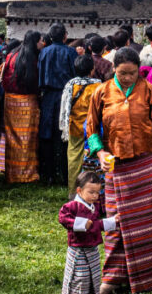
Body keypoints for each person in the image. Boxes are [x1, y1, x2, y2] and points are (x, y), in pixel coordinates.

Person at [85, 47, 152, 294]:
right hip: (115, 165)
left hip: (144, 165)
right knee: (114, 220)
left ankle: (148, 274)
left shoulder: (149, 90)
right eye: (122, 73)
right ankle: (112, 277)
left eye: (132, 73)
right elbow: (91, 129)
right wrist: (100, 153)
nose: (127, 78)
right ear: (114, 69)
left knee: (144, 220)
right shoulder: (101, 92)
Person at [58, 171, 120, 294]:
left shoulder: (94, 206)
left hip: (92, 249)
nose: (95, 196)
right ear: (79, 191)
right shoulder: (72, 206)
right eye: (91, 192)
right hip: (78, 250)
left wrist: (113, 221)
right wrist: (80, 223)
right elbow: (62, 218)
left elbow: (97, 225)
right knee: (80, 277)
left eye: (97, 192)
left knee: (94, 275)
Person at [0, 30, 43, 183]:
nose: (42, 44)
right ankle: (27, 174)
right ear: (35, 41)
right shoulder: (32, 58)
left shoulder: (12, 54)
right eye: (40, 41)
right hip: (27, 101)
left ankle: (12, 174)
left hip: (10, 102)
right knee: (29, 138)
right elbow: (33, 83)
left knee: (12, 138)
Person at [39, 23, 78, 185]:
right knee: (64, 135)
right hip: (66, 94)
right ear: (65, 36)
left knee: (47, 134)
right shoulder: (71, 52)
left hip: (48, 95)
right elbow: (75, 75)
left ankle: (48, 174)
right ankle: (64, 173)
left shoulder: (44, 52)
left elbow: (41, 74)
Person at [59, 55, 102, 198]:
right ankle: (94, 193)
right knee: (93, 161)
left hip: (75, 128)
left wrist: (64, 128)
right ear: (92, 69)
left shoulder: (71, 84)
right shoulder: (99, 85)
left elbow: (65, 109)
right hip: (93, 129)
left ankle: (74, 192)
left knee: (74, 160)